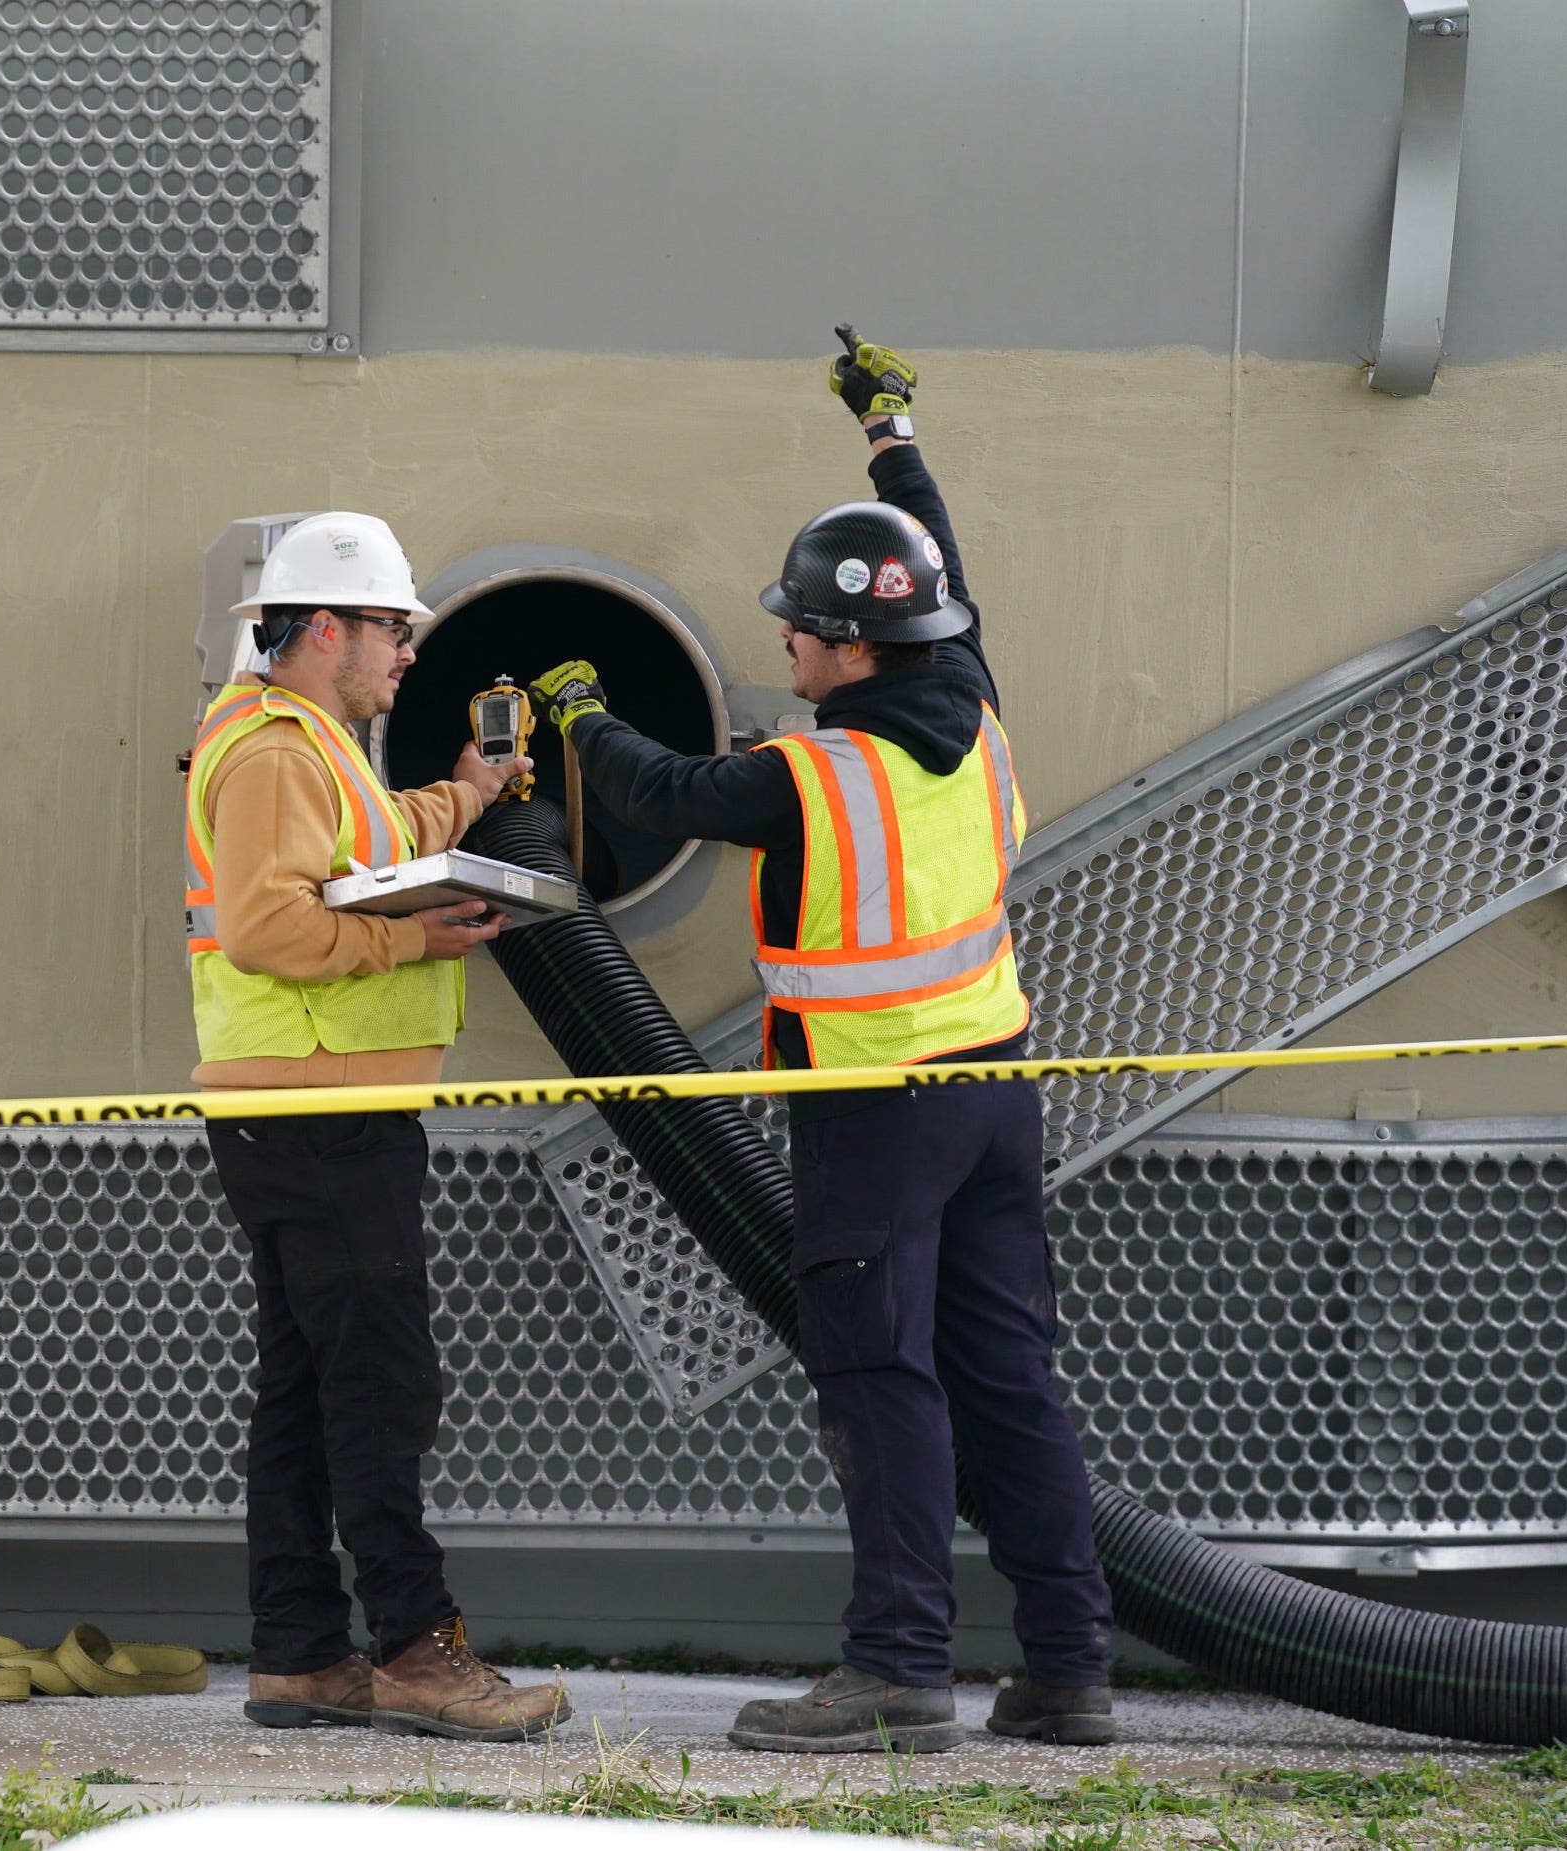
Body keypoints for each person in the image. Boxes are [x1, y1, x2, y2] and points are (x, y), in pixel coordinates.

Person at [527, 339, 1115, 1753]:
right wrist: (889, 433)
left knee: (878, 1374)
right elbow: (942, 563)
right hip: (995, 1085)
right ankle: (1070, 1664)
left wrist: (578, 713)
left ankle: (899, 1667)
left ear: (853, 648)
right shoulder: (968, 702)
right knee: (1007, 1375)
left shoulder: (813, 773)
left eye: (797, 623)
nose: (783, 641)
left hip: (872, 1109)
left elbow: (670, 788)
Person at [187, 511, 572, 1743]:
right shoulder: (269, 752)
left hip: (316, 1106)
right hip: (319, 1106)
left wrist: (465, 791)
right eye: (394, 632)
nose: (406, 654)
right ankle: (418, 1653)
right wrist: (416, 938)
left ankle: (300, 1657)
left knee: (307, 1391)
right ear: (326, 628)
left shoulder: (309, 742)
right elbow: (267, 930)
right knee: (381, 1386)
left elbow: (373, 840)